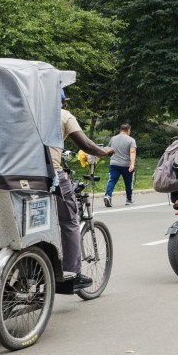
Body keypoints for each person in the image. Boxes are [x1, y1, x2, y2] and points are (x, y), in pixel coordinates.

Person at [50, 90, 115, 288]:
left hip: (18, 175)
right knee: (69, 221)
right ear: (62, 101)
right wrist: (104, 152)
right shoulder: (63, 115)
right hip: (50, 175)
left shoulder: (26, 112)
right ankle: (71, 273)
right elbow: (85, 144)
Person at [104, 124, 137, 207]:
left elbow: (108, 149)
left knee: (112, 180)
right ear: (128, 130)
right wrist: (132, 164)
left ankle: (108, 196)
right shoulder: (131, 140)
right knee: (128, 182)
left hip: (114, 164)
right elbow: (132, 152)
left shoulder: (113, 138)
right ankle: (128, 200)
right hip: (126, 165)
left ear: (121, 130)